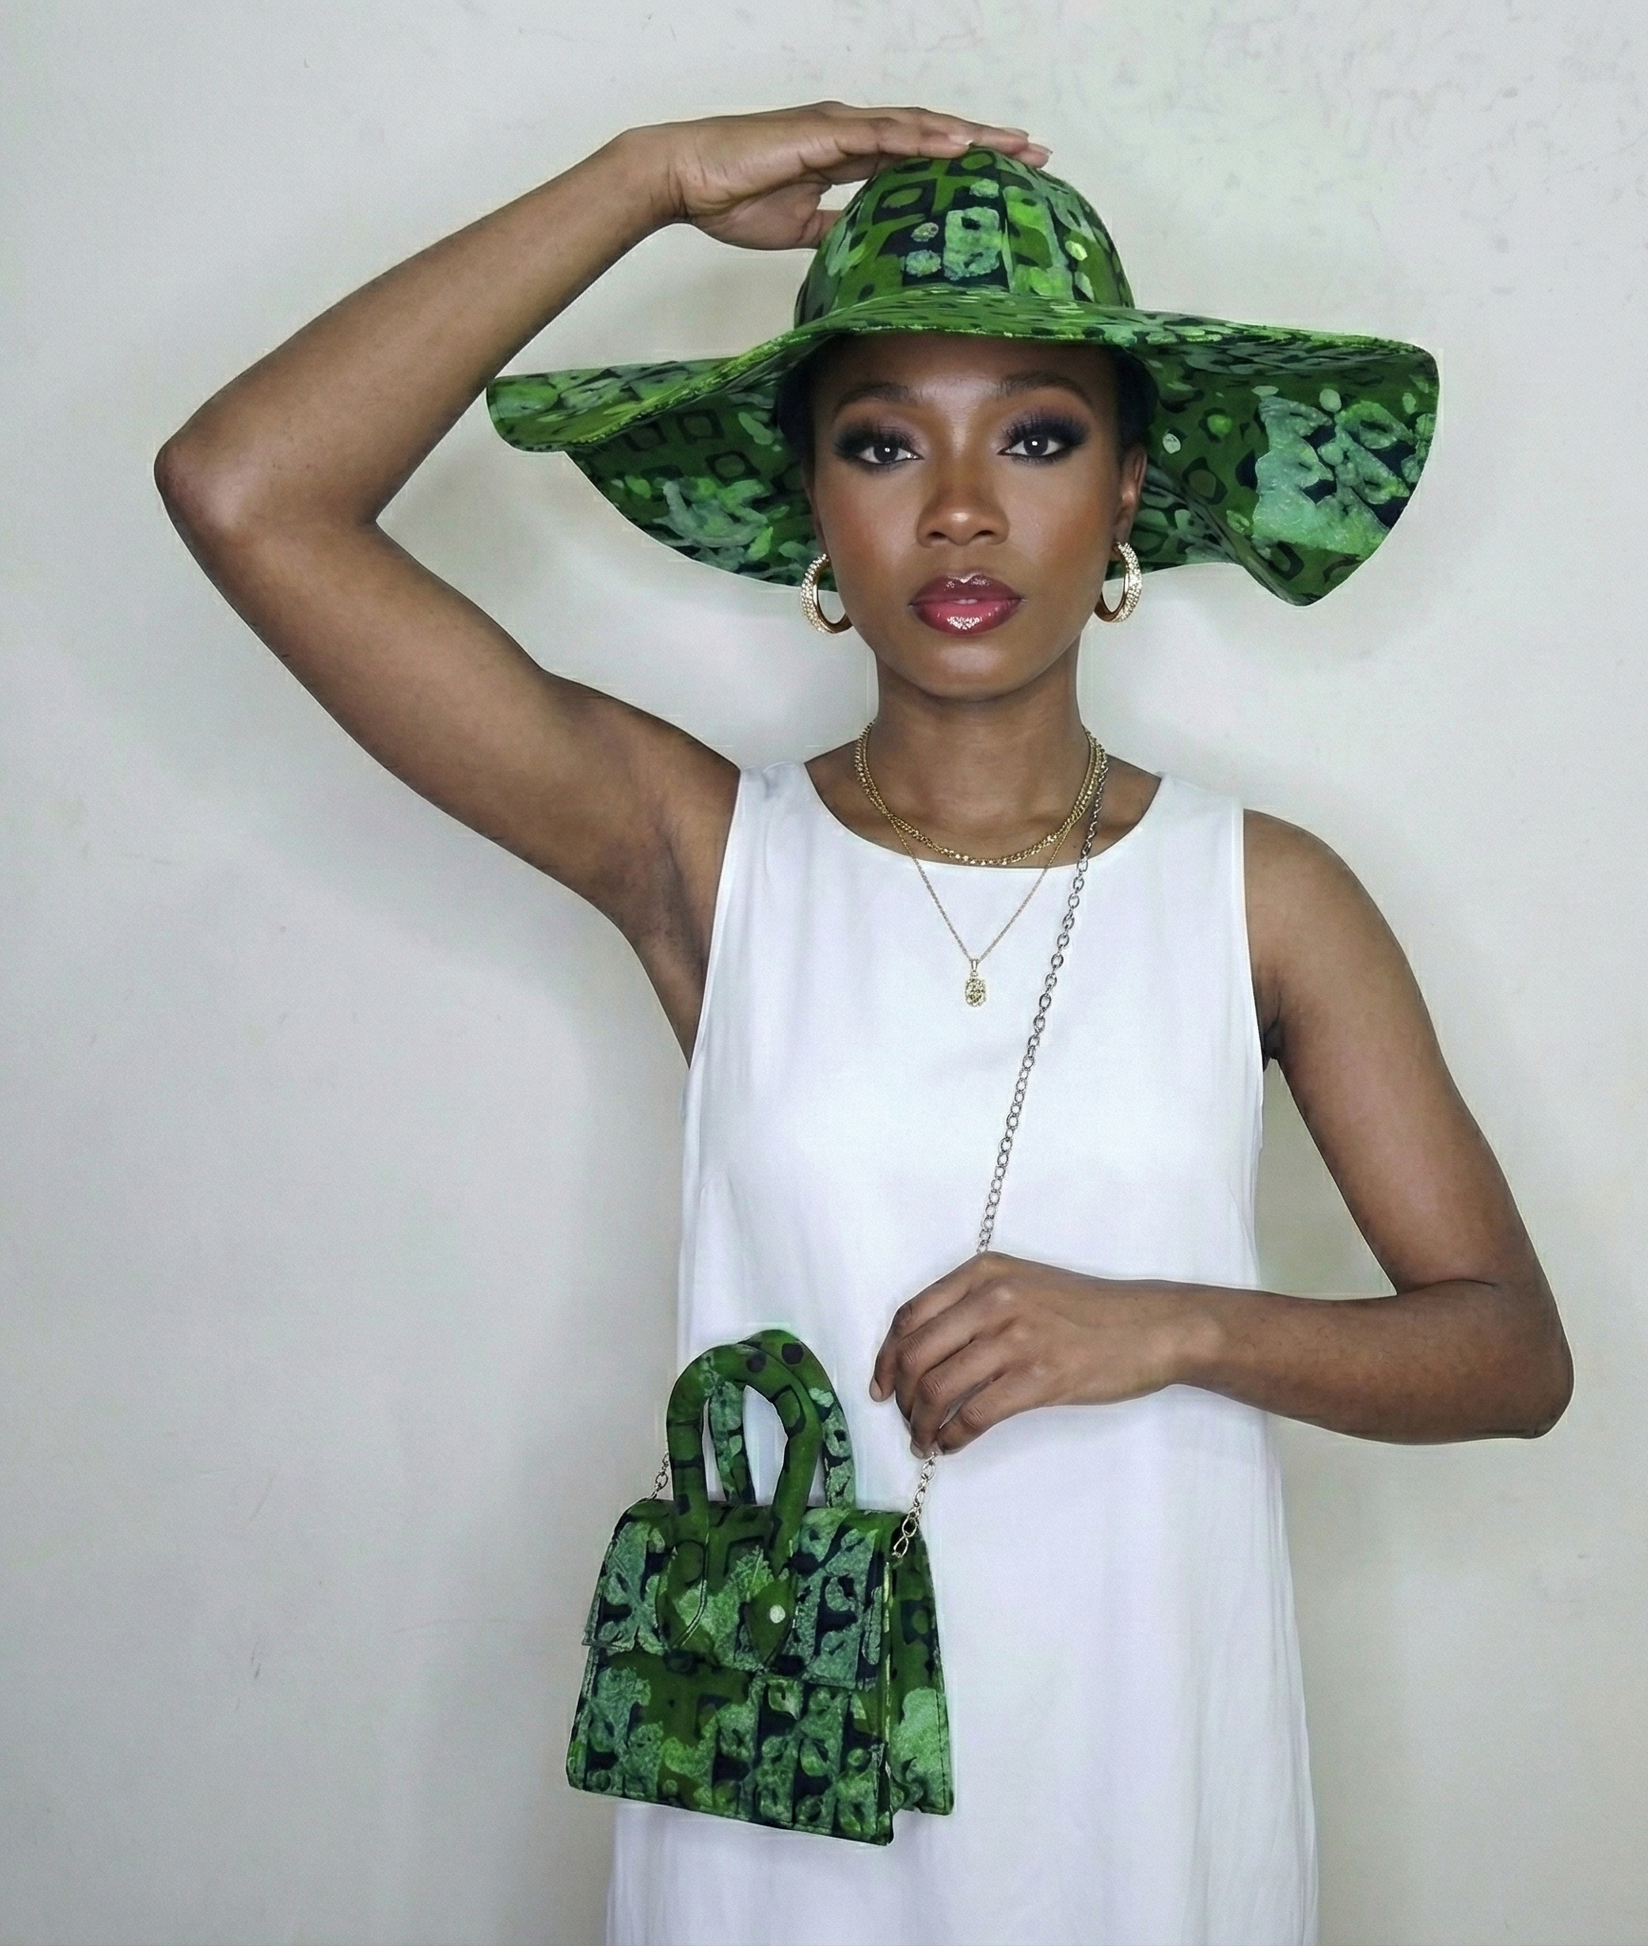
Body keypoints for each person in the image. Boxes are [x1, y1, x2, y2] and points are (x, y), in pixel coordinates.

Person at [156, 101, 1572, 1946]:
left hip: (1136, 1768)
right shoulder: (704, 857)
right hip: (784, 1795)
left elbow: (1508, 1352)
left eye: (1040, 437)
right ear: (809, 498)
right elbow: (243, 488)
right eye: (884, 442)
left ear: (1128, 485)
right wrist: (641, 180)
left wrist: (1171, 1322)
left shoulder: (1262, 892)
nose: (964, 509)